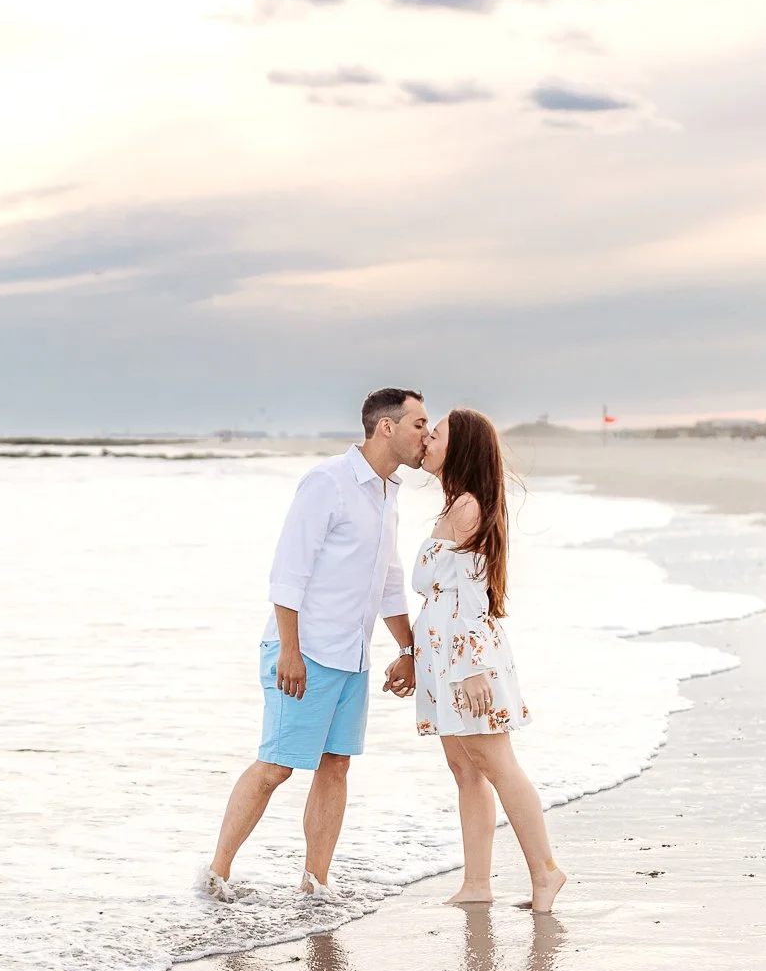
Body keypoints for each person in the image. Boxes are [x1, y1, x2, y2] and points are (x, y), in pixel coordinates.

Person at [203, 388, 426, 903]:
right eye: (418, 424)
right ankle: (216, 875)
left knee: (337, 765)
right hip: (304, 652)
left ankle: (316, 882)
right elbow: (289, 571)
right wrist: (289, 650)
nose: (425, 435)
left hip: (352, 654)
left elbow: (389, 580)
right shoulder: (328, 481)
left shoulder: (389, 491)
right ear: (386, 427)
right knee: (277, 765)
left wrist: (409, 650)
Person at [413, 408, 566, 912]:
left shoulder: (468, 509)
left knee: (496, 764)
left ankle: (545, 872)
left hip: (466, 660)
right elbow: (441, 598)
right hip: (445, 658)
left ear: (459, 450)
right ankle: (477, 883)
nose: (428, 440)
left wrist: (471, 668)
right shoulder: (455, 506)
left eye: (436, 435)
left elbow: (473, 599)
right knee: (465, 768)